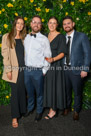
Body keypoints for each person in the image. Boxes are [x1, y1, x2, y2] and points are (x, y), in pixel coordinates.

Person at [62, 16, 91, 120]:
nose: (66, 25)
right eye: (64, 24)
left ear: (73, 24)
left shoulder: (81, 36)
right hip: (65, 70)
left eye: (68, 23)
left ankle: (76, 111)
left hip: (78, 70)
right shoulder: (62, 37)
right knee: (66, 90)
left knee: (77, 92)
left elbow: (87, 53)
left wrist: (85, 69)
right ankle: (67, 107)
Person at [24, 15, 51, 122]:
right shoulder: (25, 37)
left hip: (38, 71)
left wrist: (43, 71)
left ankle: (39, 111)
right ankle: (30, 108)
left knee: (39, 93)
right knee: (29, 92)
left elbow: (48, 56)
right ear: (31, 24)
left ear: (41, 26)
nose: (36, 24)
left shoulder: (44, 39)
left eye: (39, 23)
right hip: (26, 70)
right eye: (34, 22)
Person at [1, 16, 27, 128]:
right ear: (15, 24)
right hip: (14, 70)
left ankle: (22, 111)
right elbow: (5, 55)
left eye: (22, 23)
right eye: (18, 23)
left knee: (22, 91)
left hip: (24, 69)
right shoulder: (7, 36)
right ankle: (14, 117)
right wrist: (8, 70)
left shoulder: (24, 37)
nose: (20, 25)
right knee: (15, 93)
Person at [43, 16, 67, 119]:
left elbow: (63, 53)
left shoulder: (60, 36)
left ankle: (53, 110)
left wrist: (53, 59)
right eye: (50, 23)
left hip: (55, 65)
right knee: (48, 86)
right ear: (47, 24)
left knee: (54, 87)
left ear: (57, 25)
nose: (52, 25)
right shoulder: (45, 36)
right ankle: (50, 107)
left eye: (54, 23)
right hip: (45, 65)